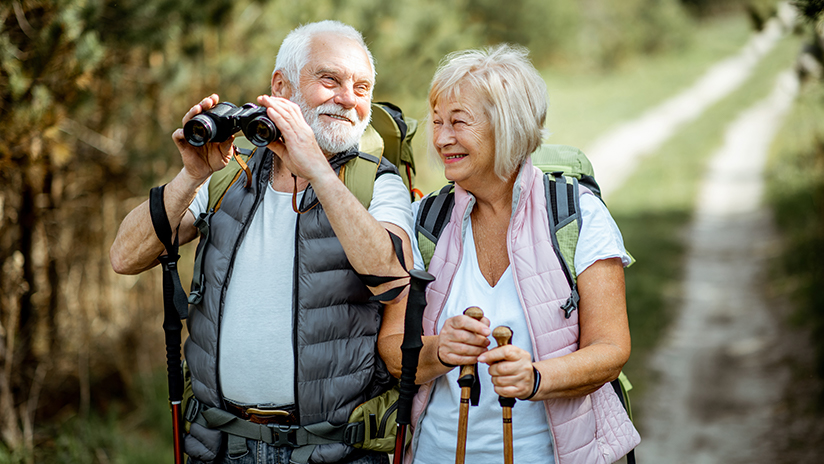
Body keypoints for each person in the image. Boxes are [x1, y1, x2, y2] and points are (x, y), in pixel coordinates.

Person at [110, 20, 415, 464]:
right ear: (281, 86)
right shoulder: (231, 172)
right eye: (329, 79)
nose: (349, 99)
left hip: (331, 450)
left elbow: (391, 279)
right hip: (219, 443)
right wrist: (192, 174)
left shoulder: (376, 183)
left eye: (362, 87)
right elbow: (125, 257)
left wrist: (318, 171)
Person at [378, 44, 640, 464]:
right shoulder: (423, 218)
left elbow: (610, 349)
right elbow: (393, 350)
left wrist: (536, 377)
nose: (442, 138)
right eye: (438, 122)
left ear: (508, 126)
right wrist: (440, 351)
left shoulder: (576, 216)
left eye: (459, 123)